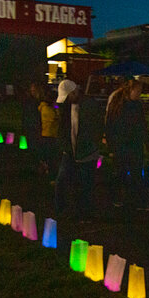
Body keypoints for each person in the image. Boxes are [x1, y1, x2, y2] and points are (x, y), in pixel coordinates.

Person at [55, 79, 103, 220]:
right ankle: (61, 210)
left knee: (85, 184)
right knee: (62, 181)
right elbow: (62, 129)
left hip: (87, 152)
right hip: (70, 151)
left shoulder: (90, 106)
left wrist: (92, 145)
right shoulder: (66, 107)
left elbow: (97, 127)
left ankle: (85, 213)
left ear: (74, 92)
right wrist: (65, 146)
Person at [105, 79, 149, 210]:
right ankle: (116, 197)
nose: (139, 94)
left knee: (137, 173)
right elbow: (110, 125)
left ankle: (138, 201)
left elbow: (142, 124)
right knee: (120, 172)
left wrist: (146, 139)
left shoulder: (137, 105)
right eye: (138, 91)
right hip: (122, 145)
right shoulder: (118, 105)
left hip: (135, 145)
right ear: (130, 90)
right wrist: (111, 145)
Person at [37, 87, 60, 175]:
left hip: (48, 134)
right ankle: (47, 170)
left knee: (48, 154)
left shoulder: (44, 107)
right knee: (50, 155)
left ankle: (46, 168)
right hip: (50, 134)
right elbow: (56, 117)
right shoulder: (47, 108)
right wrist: (56, 107)